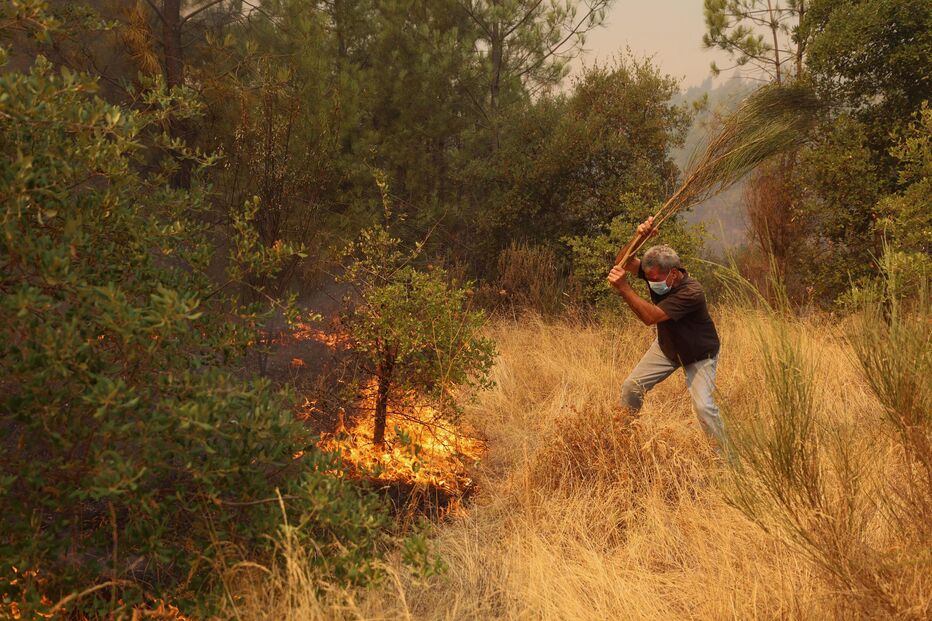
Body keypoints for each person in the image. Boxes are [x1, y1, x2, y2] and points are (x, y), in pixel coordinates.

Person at [606, 216, 724, 444]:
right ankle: (623, 442)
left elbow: (650, 318)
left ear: (674, 273)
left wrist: (624, 288)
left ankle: (726, 457)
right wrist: (639, 237)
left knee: (704, 408)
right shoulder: (655, 274)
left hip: (699, 354)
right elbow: (623, 262)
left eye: (656, 279)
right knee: (631, 387)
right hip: (668, 348)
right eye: (649, 278)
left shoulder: (692, 292)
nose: (652, 283)